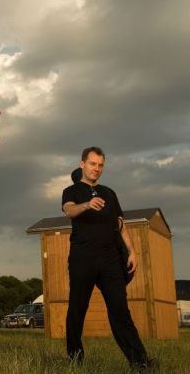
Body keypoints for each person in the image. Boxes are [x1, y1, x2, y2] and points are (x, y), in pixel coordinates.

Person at [62, 147, 154, 369]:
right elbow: (69, 210)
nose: (97, 168)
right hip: (82, 257)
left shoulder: (109, 193)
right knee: (77, 309)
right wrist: (87, 205)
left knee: (120, 309)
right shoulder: (71, 191)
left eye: (100, 165)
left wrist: (132, 251)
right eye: (92, 164)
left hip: (110, 259)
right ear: (82, 164)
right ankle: (75, 359)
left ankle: (140, 362)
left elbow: (120, 224)